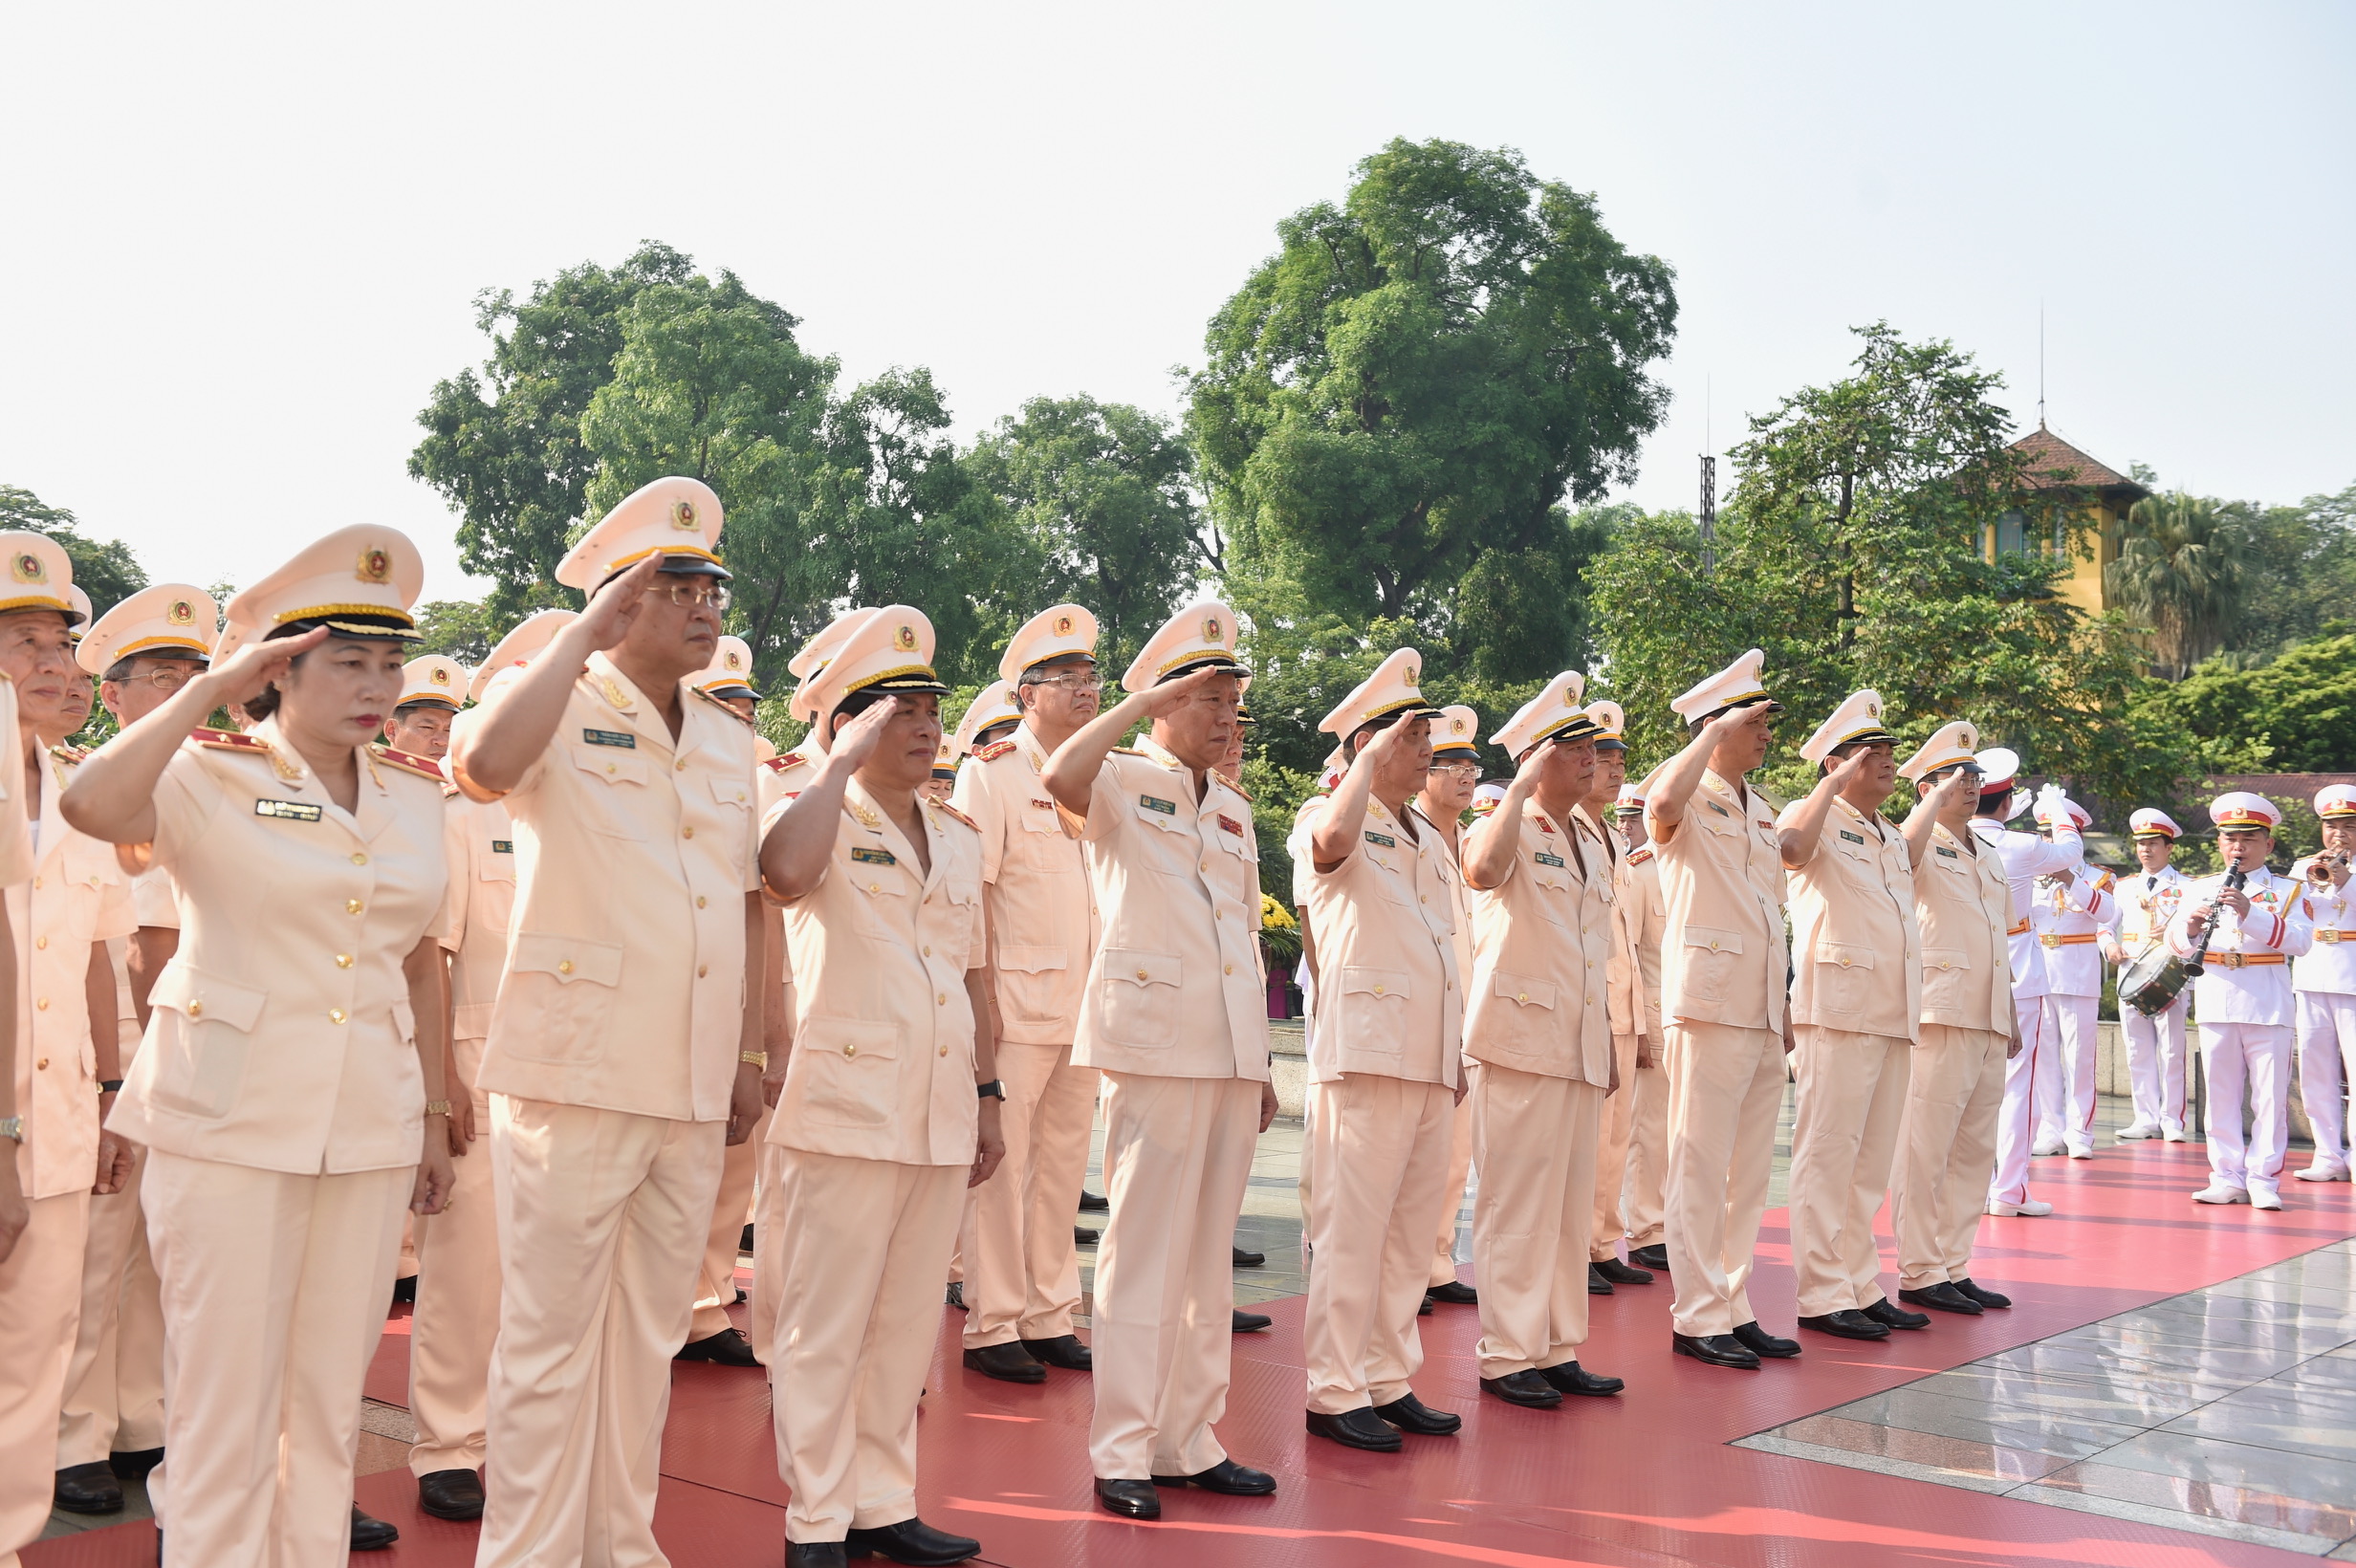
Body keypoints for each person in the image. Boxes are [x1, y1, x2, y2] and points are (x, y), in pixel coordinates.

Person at [61, 525, 456, 1567]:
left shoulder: (417, 793)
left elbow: (415, 955)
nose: (378, 684)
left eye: (389, 662)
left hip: (365, 1117)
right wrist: (210, 687)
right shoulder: (207, 771)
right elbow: (90, 802)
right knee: (225, 1391)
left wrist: (427, 1114)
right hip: (226, 1117)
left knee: (325, 1394)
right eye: (348, 660)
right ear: (281, 669)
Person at [447, 477, 765, 1568]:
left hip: (683, 1074)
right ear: (619, 601)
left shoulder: (726, 736)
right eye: (673, 585)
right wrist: (580, 634)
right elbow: (483, 767)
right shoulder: (560, 698)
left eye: (708, 585)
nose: (703, 605)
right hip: (576, 1071)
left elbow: (735, 900)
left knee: (644, 1338)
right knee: (546, 1340)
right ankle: (526, 1554)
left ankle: (619, 1544)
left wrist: (744, 1054)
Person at [757, 604, 1005, 1568]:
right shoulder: (810, 804)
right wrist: (831, 764)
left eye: (930, 710)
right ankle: (814, 1516)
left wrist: (988, 1096)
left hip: (940, 1106)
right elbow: (780, 876)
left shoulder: (957, 831)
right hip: (844, 1103)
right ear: (846, 722)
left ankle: (881, 1501)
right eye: (896, 709)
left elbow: (973, 974)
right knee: (826, 1322)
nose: (923, 726)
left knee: (904, 1323)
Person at [1039, 601, 1278, 1522]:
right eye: (1209, 699)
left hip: (1223, 1051)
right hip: (1151, 1042)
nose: (1226, 719)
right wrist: (1139, 704)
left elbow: (1246, 941)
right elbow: (1059, 771)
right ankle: (1123, 1450)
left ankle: (1191, 1437)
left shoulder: (1231, 806)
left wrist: (1258, 1065)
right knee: (1143, 1252)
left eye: (1232, 701)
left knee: (1205, 1260)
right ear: (1168, 701)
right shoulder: (1122, 779)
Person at [407, 611, 575, 1522]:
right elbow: (431, 953)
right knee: (468, 1271)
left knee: (552, 1275)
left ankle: (523, 1435)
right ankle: (446, 1441)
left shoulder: (594, 796)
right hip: (479, 1059)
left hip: (572, 1062)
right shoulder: (458, 807)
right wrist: (441, 1087)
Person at [54, 584, 215, 1518]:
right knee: (96, 1249)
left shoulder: (228, 775)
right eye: (158, 675)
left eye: (193, 672)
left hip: (200, 1044)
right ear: (112, 693)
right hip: (110, 1041)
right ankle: (74, 1430)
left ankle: (139, 1416)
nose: (180, 688)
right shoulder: (85, 778)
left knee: (166, 1251)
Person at [1294, 650, 1464, 1449]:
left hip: (1428, 1055)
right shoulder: (1330, 811)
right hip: (1366, 1054)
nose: (1427, 749)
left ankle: (1387, 1376)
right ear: (1370, 746)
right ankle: (1334, 1389)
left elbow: (1440, 943)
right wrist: (1359, 760)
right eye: (1412, 734)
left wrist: (1455, 1052)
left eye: (1427, 733)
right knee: (1353, 1231)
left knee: (1407, 1233)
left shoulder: (1426, 833)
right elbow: (1330, 845)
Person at [1459, 672, 1623, 1407]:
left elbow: (1594, 952)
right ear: (1534, 758)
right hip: (1521, 1038)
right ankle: (1505, 1353)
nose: (1590, 756)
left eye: (1592, 745)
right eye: (1573, 746)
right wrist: (1518, 790)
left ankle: (1555, 1345)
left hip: (1580, 1042)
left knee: (1565, 1206)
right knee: (1515, 1204)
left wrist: (1611, 1043)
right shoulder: (1505, 820)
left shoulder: (1592, 834)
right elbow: (1483, 872)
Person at [949, 606, 1103, 1384]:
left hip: (1082, 1010)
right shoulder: (993, 772)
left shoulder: (1096, 775)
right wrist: (981, 1009)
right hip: (1015, 1005)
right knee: (1002, 1173)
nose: (1087, 691)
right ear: (1027, 692)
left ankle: (1051, 1313)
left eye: (1091, 679)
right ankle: (995, 1322)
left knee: (1063, 1170)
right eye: (1069, 680)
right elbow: (971, 893)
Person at [1645, 648, 1795, 1371]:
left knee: (1749, 1172)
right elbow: (1661, 808)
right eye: (1756, 721)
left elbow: (1772, 910)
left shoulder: (1759, 809)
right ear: (1719, 726)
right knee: (1699, 1165)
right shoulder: (1686, 791)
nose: (1767, 733)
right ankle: (1697, 1313)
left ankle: (1734, 1303)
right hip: (1706, 1005)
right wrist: (1707, 733)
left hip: (1760, 1007)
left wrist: (1784, 1005)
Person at [1776, 691, 1926, 1343]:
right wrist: (1831, 782)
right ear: (1836, 763)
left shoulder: (1888, 832)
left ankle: (1861, 1284)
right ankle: (1821, 1292)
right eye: (1873, 754)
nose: (1888, 763)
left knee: (1870, 1162)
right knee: (1828, 1155)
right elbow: (1789, 849)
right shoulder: (1814, 815)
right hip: (1837, 1011)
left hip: (1890, 1010)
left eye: (1891, 753)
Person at [0, 537, 81, 1567]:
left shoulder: (81, 788)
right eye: (25, 643)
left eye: (59, 642)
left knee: (35, 1347)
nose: (55, 664)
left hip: (56, 1117)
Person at [1889, 723, 2017, 1317]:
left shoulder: (1987, 853)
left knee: (1972, 1149)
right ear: (1926, 789)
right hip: (1940, 1008)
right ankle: (1918, 1270)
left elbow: (1999, 940)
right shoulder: (1912, 839)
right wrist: (1932, 802)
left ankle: (1953, 1264)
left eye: (1974, 777)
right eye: (1955, 778)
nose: (1970, 786)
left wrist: (2010, 1012)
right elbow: (1899, 863)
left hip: (1987, 1012)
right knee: (1926, 1147)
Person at [676, 631, 772, 1371]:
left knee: (732, 1172)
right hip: (678, 997)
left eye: (746, 706)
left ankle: (706, 1304)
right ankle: (683, 1306)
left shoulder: (757, 772)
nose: (738, 717)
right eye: (725, 703)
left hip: (741, 995)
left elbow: (758, 907)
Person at [2169, 793, 2313, 1210]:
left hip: (2267, 1003)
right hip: (2216, 996)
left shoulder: (2288, 890)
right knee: (2220, 1095)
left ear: (2268, 844)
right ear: (2219, 843)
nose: (2239, 847)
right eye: (2231, 838)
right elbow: (2173, 943)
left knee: (2269, 1097)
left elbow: (2301, 942)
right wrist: (2192, 930)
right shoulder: (2200, 887)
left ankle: (2264, 1179)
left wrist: (2252, 913)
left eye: (2249, 839)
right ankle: (2226, 1176)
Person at [1975, 752, 2085, 1219]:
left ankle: (1970, 1186)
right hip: (2018, 972)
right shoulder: (2020, 846)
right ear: (2006, 803)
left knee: (1966, 1087)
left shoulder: (1945, 838)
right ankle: (2010, 1189)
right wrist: (2056, 809)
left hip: (1960, 970)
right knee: (2018, 1086)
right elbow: (2071, 853)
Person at [1579, 700, 1654, 1295]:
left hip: (1622, 1009)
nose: (1614, 768)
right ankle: (1579, 1246)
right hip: (1586, 1008)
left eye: (1620, 759)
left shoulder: (1611, 839)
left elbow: (1626, 937)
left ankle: (1603, 1241)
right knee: (1587, 1139)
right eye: (1604, 757)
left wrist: (1642, 1021)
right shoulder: (1566, 830)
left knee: (1617, 1136)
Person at [1415, 705, 1481, 1308]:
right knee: (1413, 1160)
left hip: (1468, 1010)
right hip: (1417, 1013)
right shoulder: (1410, 829)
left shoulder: (1472, 837)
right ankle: (1411, 1268)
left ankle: (1438, 1261)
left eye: (1471, 765)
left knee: (1455, 1154)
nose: (1465, 775)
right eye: (1450, 764)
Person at [2028, 794, 2112, 1160]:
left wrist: (2070, 878)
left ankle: (2080, 1131)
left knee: (2079, 1058)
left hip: (2078, 975)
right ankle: (2051, 1126)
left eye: (2056, 834)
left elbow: (2108, 914)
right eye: (2044, 835)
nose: (2049, 842)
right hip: (2039, 972)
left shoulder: (2099, 877)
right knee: (2043, 1057)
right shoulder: (2027, 874)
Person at [2101, 809, 2192, 1143]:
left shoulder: (2187, 887)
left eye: (2153, 843)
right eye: (2141, 844)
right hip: (2131, 971)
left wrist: (2177, 930)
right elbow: (2105, 925)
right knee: (2137, 1049)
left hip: (2169, 974)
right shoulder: (2123, 886)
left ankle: (2172, 1120)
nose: (2145, 850)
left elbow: (2195, 931)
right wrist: (2110, 946)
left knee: (2171, 1050)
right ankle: (2145, 1117)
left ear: (2169, 847)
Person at [1613, 779, 1670, 1274]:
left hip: (1701, 1013)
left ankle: (1677, 1223)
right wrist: (1638, 1029)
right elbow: (1626, 951)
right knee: (1650, 1131)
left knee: (1688, 1134)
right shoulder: (1639, 871)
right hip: (1655, 1015)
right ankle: (1649, 1229)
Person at [2288, 786, 2356, 1183]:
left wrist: (2346, 881)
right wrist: (2308, 876)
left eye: (2348, 827)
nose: (2339, 835)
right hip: (2312, 973)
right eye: (2332, 827)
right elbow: (2282, 908)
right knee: (2315, 1070)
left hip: (2353, 975)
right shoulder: (2303, 868)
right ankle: (2328, 1153)